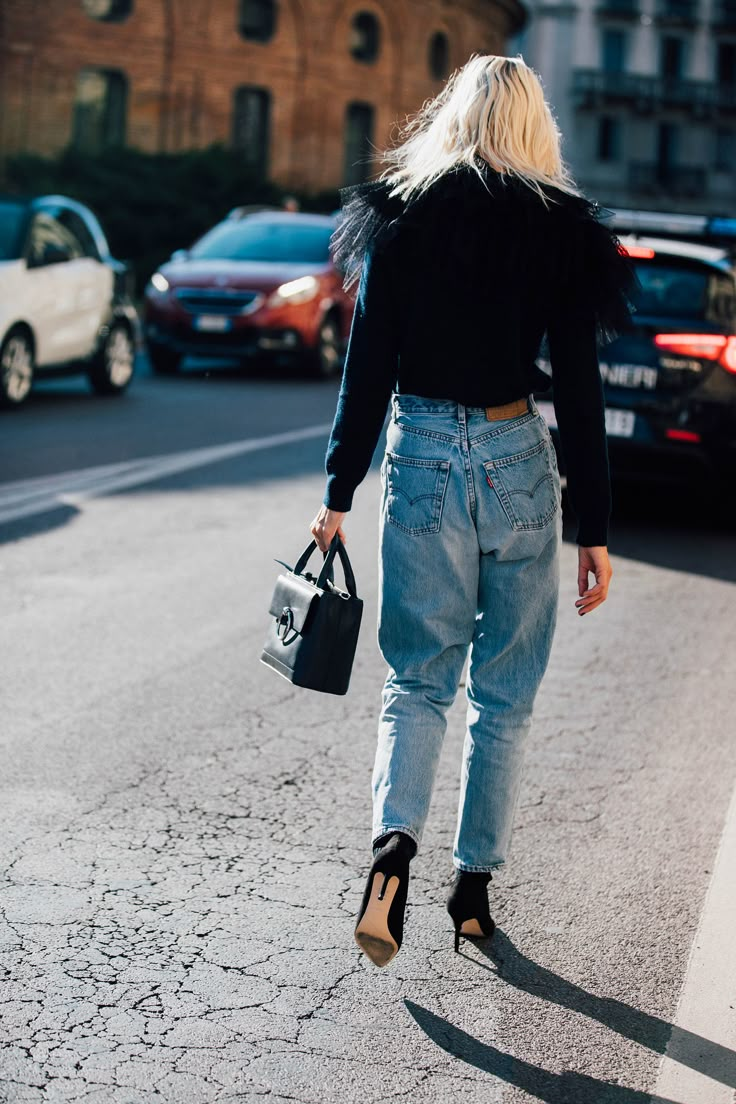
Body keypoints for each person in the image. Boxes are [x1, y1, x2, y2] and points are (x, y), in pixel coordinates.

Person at [309, 53, 639, 967]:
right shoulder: (562, 234)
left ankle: (390, 856)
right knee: (505, 696)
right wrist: (596, 531)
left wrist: (338, 492)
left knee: (416, 680)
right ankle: (472, 895)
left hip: (419, 455)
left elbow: (366, 366)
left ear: (450, 115)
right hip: (514, 458)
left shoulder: (400, 220)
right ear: (538, 125)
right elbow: (578, 388)